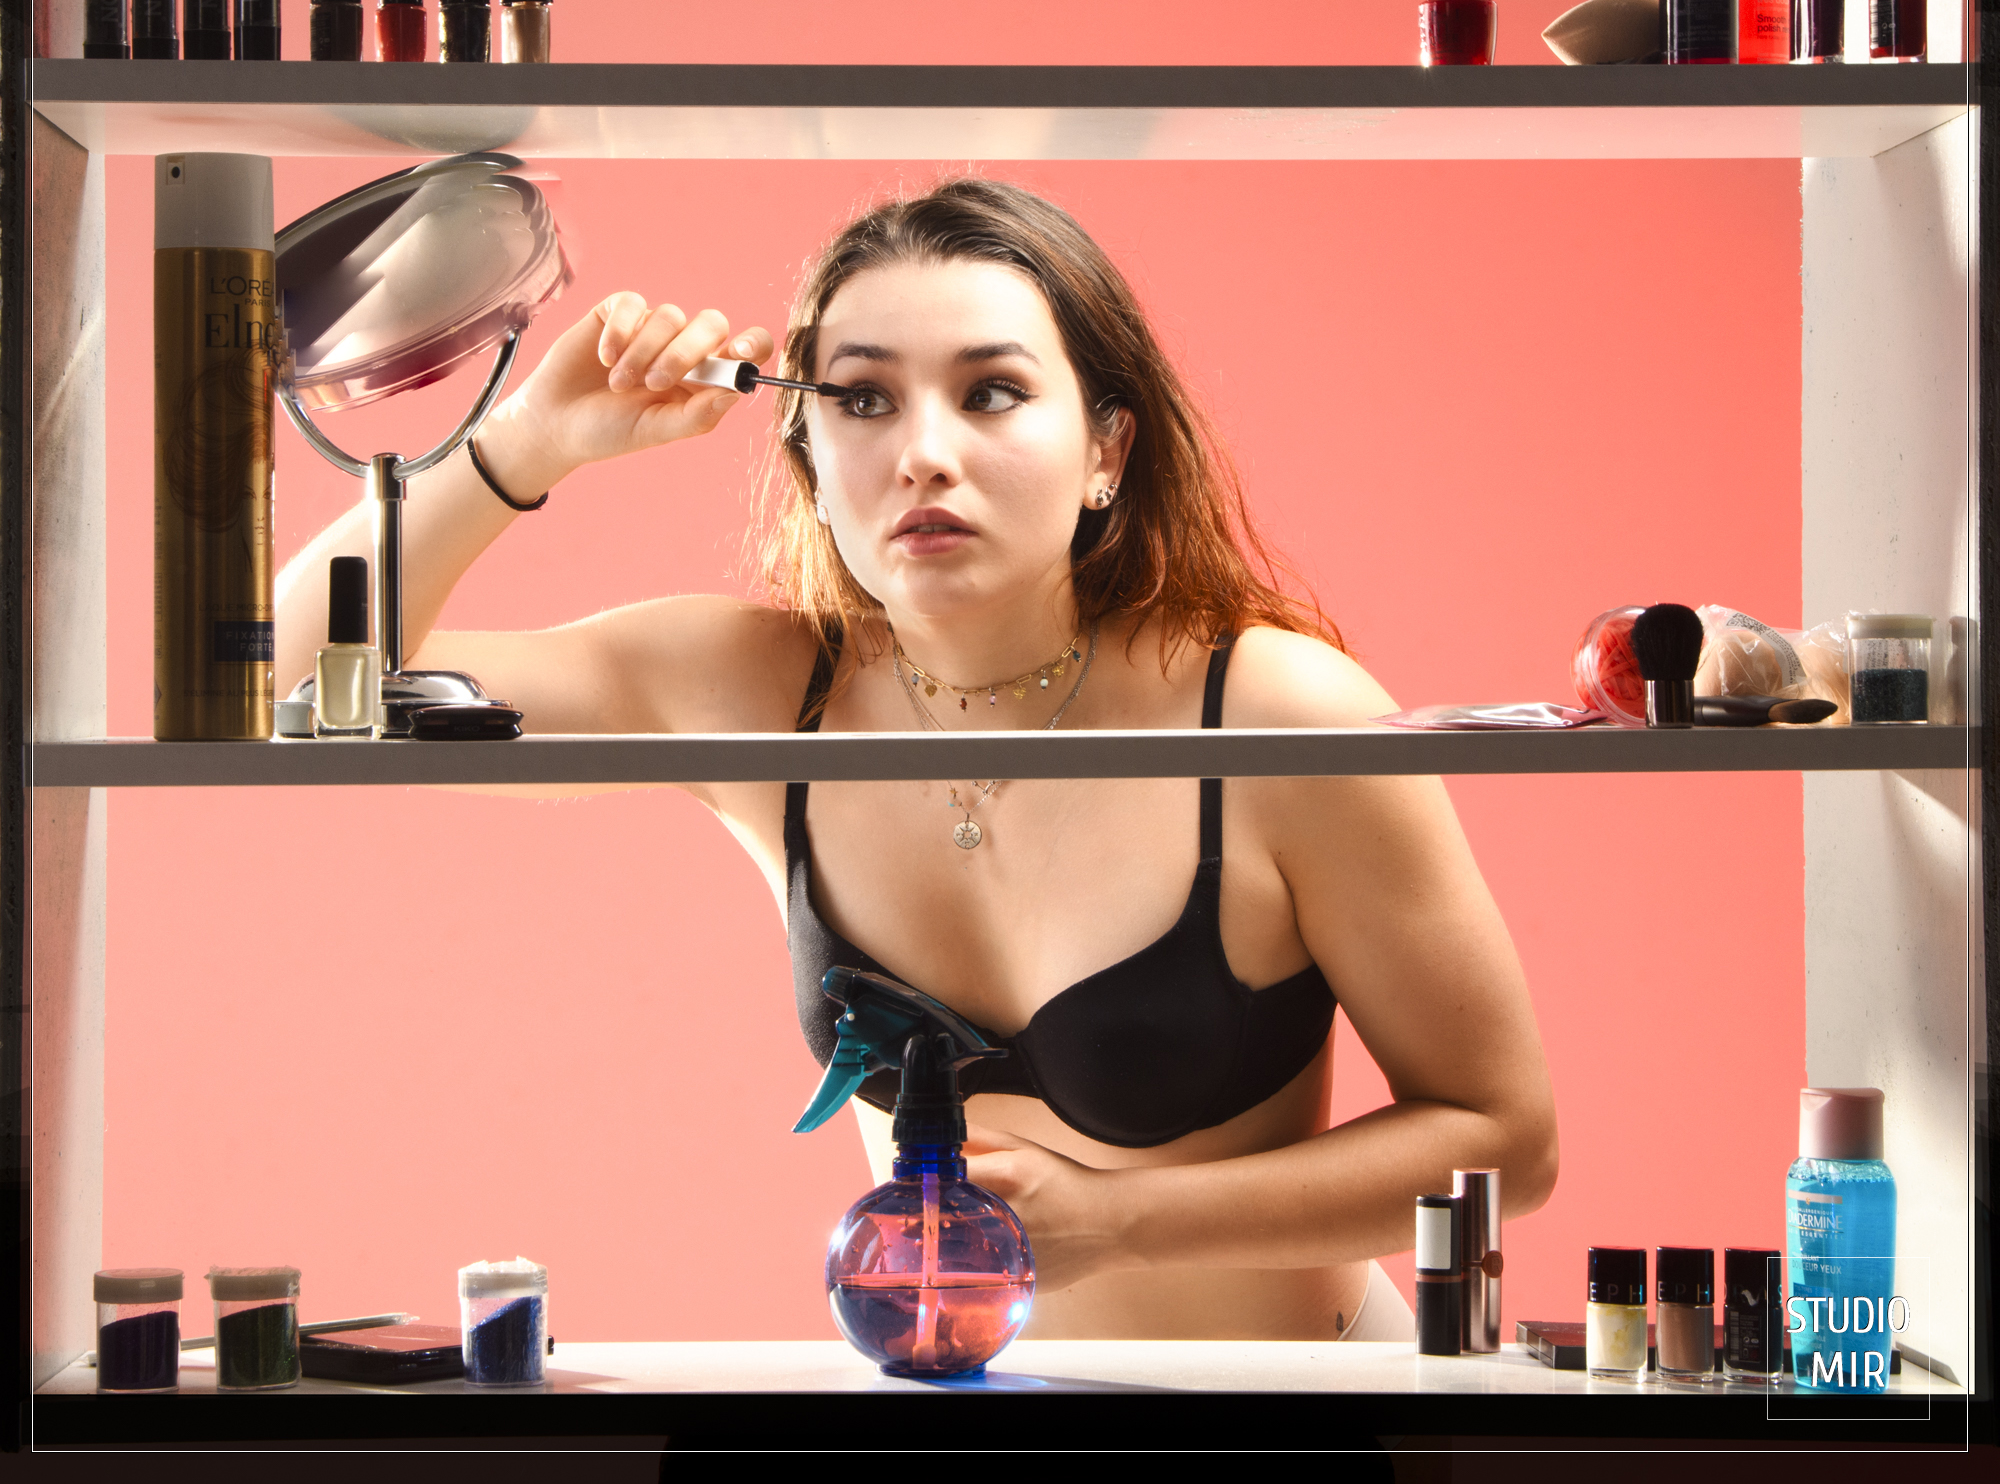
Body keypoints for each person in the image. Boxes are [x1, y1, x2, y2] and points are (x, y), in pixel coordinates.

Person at [275, 176, 1557, 1342]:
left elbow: (1507, 1138)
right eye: (861, 398)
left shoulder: (1268, 715)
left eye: (990, 391)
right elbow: (270, 685)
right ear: (807, 454)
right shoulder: (758, 696)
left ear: (1107, 447)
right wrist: (525, 446)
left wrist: (1121, 1219)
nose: (922, 450)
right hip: (949, 1418)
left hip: (1297, 1422)